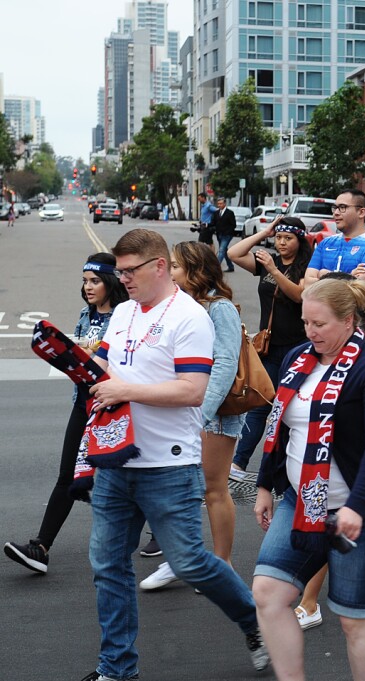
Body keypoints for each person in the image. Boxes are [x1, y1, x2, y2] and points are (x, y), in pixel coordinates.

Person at [83, 228, 267, 680]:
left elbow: (192, 390)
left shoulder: (190, 317)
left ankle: (255, 622)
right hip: (116, 460)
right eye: (119, 271)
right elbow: (106, 363)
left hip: (168, 463)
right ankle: (117, 669)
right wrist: (79, 362)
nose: (121, 279)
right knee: (107, 566)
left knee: (190, 562)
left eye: (130, 271)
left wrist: (124, 389)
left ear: (159, 266)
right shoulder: (124, 311)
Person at [252, 278, 365, 681]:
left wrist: (356, 505)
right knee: (268, 596)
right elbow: (282, 429)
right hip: (302, 501)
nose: (310, 332)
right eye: (305, 322)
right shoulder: (298, 360)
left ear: (349, 321)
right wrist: (266, 485)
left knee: (354, 620)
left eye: (319, 324)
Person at [4, 253, 128, 575]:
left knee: (134, 478)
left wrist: (85, 358)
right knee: (67, 475)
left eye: (95, 281)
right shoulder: (84, 317)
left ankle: (168, 538)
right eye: (85, 281)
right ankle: (40, 548)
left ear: (111, 282)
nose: (88, 287)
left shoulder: (125, 317)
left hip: (115, 406)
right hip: (82, 404)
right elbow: (74, 361)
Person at [139, 241, 244, 591]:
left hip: (210, 415)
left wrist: (202, 412)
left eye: (176, 266)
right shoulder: (178, 306)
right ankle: (181, 559)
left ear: (196, 270)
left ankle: (221, 564)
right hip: (179, 412)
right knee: (179, 490)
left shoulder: (220, 308)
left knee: (213, 490)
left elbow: (226, 363)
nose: (169, 272)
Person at [228, 217, 313, 479]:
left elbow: (299, 295)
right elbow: (233, 253)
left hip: (298, 347)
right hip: (269, 347)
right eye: (279, 238)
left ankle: (287, 466)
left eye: (288, 238)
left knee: (291, 407)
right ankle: (239, 464)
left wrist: (274, 271)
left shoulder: (307, 268)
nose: (282, 243)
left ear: (300, 241)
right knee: (260, 403)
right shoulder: (268, 262)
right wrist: (264, 231)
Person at [304, 190, 365, 299]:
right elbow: (307, 284)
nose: (336, 213)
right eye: (335, 208)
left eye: (342, 207)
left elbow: (357, 287)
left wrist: (323, 274)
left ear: (361, 212)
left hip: (359, 315)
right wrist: (350, 276)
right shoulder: (325, 243)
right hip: (324, 314)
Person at [211, 198, 237, 272]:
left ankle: (216, 267)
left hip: (227, 235)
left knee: (221, 250)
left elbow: (233, 225)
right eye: (218, 204)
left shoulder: (230, 213)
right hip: (219, 235)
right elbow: (213, 223)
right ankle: (230, 266)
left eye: (221, 203)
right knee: (224, 251)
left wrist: (228, 231)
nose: (219, 205)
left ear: (225, 204)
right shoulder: (216, 213)